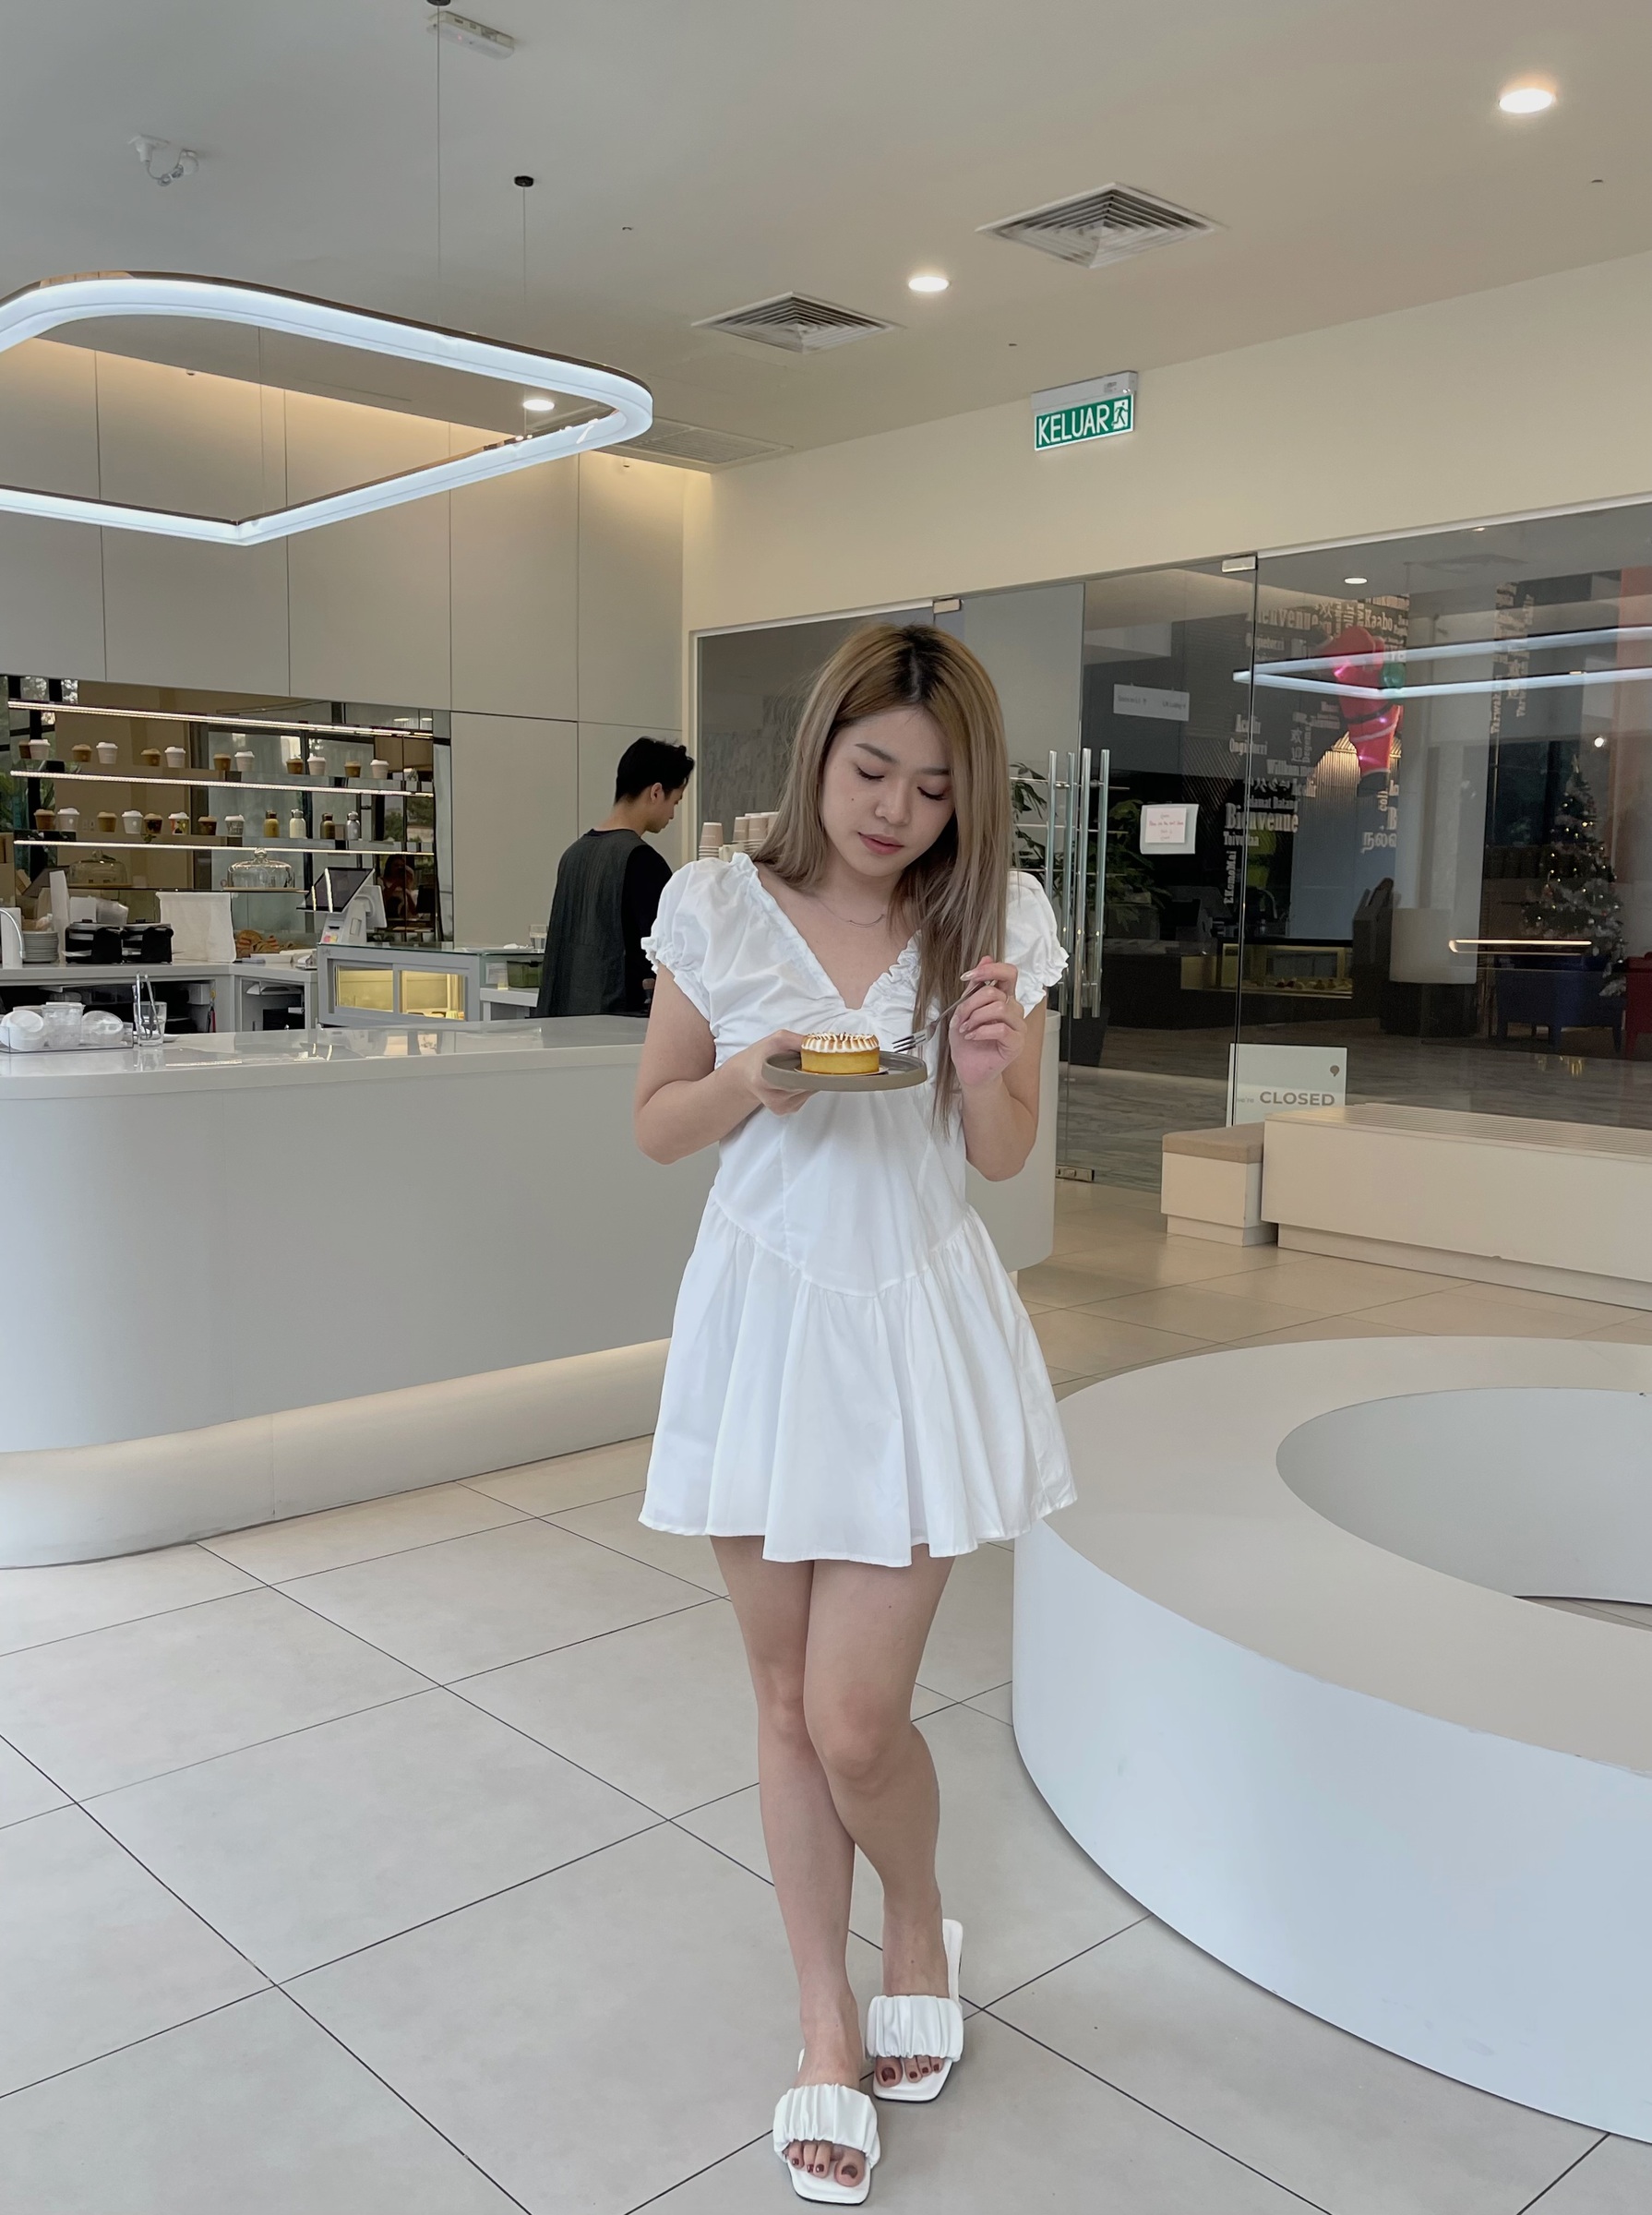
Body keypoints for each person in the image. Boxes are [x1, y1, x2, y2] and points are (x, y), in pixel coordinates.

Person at [633, 625, 1072, 2204]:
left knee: (855, 1719)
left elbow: (1002, 1154)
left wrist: (990, 1063)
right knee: (779, 1704)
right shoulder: (716, 903)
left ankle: (916, 1923)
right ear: (819, 750)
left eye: (933, 788)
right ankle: (826, 2022)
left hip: (912, 1326)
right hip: (764, 1322)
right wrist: (752, 1079)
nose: (895, 810)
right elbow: (657, 1125)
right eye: (871, 769)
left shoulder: (992, 919)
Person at [534, 737, 693, 1016]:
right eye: (675, 802)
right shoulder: (642, 860)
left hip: (562, 1020)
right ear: (656, 792)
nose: (672, 814)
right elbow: (670, 955)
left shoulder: (573, 854)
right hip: (619, 1021)